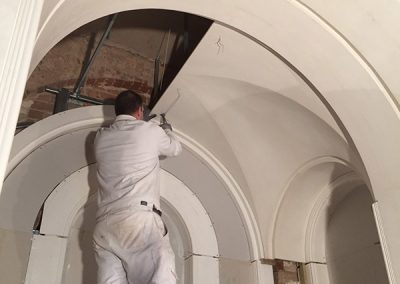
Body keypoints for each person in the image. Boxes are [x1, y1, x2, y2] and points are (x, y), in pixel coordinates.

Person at [93, 90, 182, 284]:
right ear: (140, 110)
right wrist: (166, 129)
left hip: (105, 227)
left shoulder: (100, 137)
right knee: (160, 276)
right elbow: (175, 148)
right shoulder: (150, 131)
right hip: (137, 221)